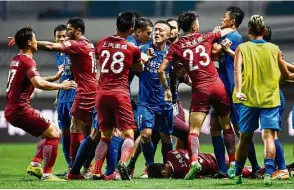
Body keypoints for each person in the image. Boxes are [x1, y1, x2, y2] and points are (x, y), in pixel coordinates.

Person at [158, 11, 234, 180]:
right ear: (194, 26)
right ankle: (234, 164)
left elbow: (161, 69)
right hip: (217, 85)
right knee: (226, 126)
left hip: (200, 89)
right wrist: (224, 28)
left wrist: (166, 88)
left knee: (194, 130)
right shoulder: (206, 36)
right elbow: (227, 31)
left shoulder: (176, 47)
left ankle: (194, 162)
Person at [5, 26, 76, 181]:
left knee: (48, 133)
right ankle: (47, 173)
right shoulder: (27, 60)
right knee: (54, 134)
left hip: (12, 108)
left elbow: (32, 80)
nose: (38, 41)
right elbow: (38, 83)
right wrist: (61, 86)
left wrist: (53, 78)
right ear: (30, 42)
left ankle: (36, 164)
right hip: (20, 109)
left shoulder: (16, 59)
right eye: (35, 38)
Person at [232, 15, 294, 186]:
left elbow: (237, 70)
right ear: (265, 31)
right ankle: (268, 173)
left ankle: (237, 174)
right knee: (269, 137)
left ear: (249, 30)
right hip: (271, 100)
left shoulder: (242, 48)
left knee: (244, 139)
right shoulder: (274, 49)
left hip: (249, 99)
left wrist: (239, 90)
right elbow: (287, 74)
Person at [91, 12, 144, 181]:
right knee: (129, 134)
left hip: (101, 94)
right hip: (120, 93)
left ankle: (96, 171)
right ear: (131, 29)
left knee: (104, 135)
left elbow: (99, 58)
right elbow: (139, 67)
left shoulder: (100, 43)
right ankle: (122, 163)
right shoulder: (132, 48)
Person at [210, 6, 259, 179]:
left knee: (240, 130)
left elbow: (215, 52)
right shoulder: (224, 36)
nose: (222, 19)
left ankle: (255, 167)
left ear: (232, 22)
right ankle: (222, 169)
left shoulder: (234, 36)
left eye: (225, 17)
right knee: (215, 126)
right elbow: (215, 56)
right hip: (221, 87)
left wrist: (214, 37)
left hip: (233, 88)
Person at [137, 20, 174, 178]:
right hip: (146, 102)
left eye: (160, 30)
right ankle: (150, 167)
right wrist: (144, 59)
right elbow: (135, 69)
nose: (156, 33)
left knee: (166, 136)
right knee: (145, 135)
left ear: (168, 35)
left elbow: (178, 74)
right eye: (155, 30)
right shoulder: (142, 50)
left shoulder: (172, 52)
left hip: (164, 103)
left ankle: (168, 167)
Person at [53, 24, 76, 173]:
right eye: (58, 36)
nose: (61, 39)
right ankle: (70, 166)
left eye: (64, 36)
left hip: (75, 97)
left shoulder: (74, 51)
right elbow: (62, 77)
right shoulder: (59, 54)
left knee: (78, 133)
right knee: (65, 134)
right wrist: (57, 96)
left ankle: (81, 166)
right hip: (62, 99)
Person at [147, 149, 251, 179]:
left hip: (218, 167)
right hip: (215, 156)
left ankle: (252, 171)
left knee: (243, 172)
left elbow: (201, 177)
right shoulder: (171, 153)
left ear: (164, 173)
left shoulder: (180, 173)